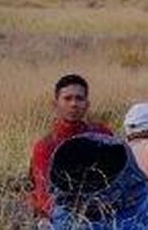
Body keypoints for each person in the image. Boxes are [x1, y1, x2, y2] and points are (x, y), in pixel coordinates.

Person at [29, 74, 114, 220]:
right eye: (67, 98)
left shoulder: (102, 135)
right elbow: (43, 194)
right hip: (61, 214)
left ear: (87, 104)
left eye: (79, 98)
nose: (73, 104)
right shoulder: (46, 145)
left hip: (103, 209)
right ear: (55, 104)